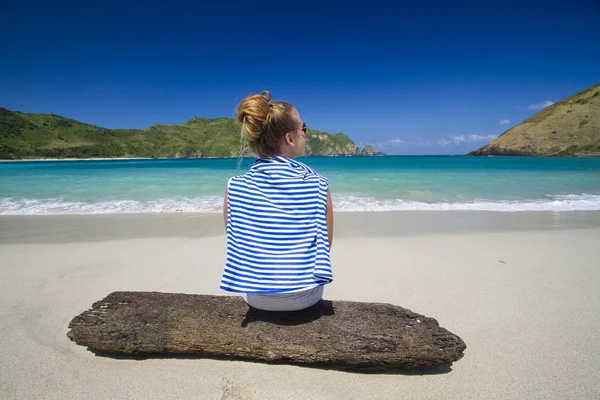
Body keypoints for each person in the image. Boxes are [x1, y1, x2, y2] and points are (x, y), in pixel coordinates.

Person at [220, 91, 334, 311]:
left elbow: (239, 240)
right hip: (306, 296)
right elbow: (325, 246)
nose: (306, 134)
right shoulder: (318, 184)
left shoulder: (234, 186)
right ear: (290, 138)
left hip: (256, 297)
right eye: (304, 129)